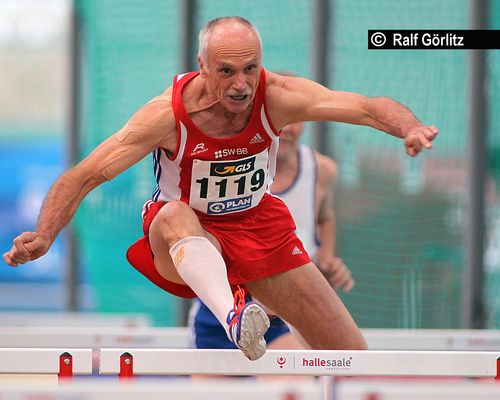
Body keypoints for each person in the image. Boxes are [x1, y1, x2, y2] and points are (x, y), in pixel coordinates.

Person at [3, 16, 438, 361]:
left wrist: (410, 127)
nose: (241, 85)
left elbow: (364, 108)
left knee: (351, 357)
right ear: (202, 66)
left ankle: (242, 316)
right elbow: (86, 175)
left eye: (250, 69)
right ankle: (232, 315)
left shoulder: (278, 96)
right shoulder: (164, 116)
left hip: (257, 229)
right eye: (227, 71)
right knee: (173, 214)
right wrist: (45, 235)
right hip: (185, 239)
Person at [189, 119, 354, 351]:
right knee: (203, 389)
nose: (286, 128)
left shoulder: (320, 170)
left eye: (294, 119)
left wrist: (326, 258)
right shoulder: (224, 164)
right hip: (225, 310)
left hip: (284, 313)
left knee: (295, 384)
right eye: (278, 119)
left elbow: (325, 216)